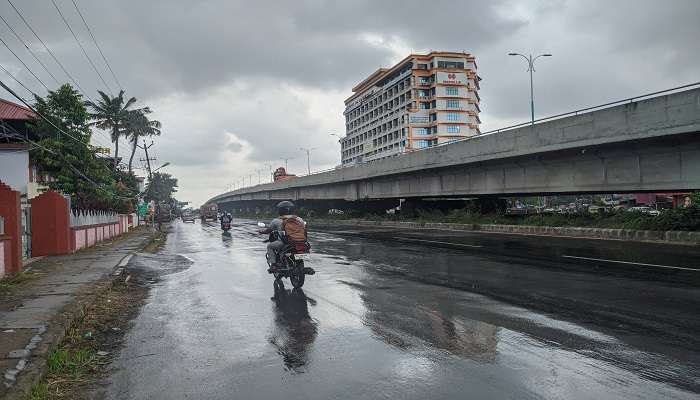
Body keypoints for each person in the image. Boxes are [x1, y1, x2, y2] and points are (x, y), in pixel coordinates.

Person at [259, 201, 306, 270]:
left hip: (285, 242)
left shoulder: (276, 220)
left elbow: (269, 230)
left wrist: (262, 232)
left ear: (280, 210)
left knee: (270, 246)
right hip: (300, 242)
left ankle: (274, 265)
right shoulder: (299, 219)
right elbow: (304, 229)